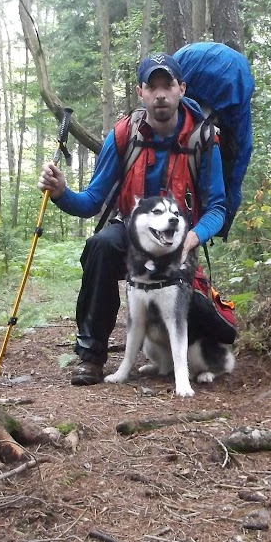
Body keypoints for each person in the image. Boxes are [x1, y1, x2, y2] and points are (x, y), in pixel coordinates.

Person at [38, 53, 227, 385]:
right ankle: (91, 356)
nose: (160, 95)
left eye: (167, 85)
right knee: (101, 246)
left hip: (179, 241)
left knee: (195, 308)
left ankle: (195, 356)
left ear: (181, 89)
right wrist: (61, 193)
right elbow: (91, 202)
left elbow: (217, 208)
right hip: (132, 232)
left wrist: (193, 237)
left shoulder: (203, 139)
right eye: (151, 87)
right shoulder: (124, 134)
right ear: (140, 92)